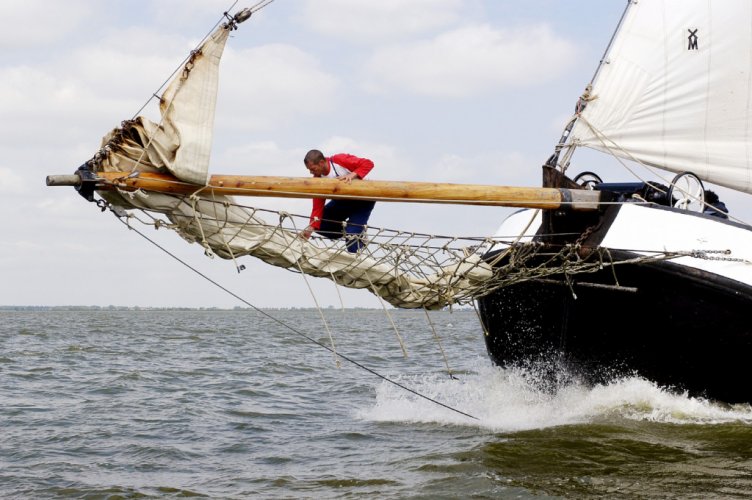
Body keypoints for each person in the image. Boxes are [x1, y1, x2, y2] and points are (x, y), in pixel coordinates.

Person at [300, 149, 376, 252]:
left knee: (351, 237)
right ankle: (348, 229)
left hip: (363, 201)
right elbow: (317, 206)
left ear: (322, 162)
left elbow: (368, 163)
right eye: (309, 170)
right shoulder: (318, 178)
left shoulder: (339, 160)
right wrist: (310, 229)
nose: (311, 172)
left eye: (313, 169)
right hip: (343, 202)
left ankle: (355, 233)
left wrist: (352, 175)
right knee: (319, 224)